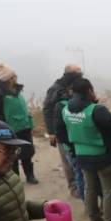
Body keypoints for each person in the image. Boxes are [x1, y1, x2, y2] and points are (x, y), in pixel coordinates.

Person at [57, 77, 111, 221]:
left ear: (72, 92)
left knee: (90, 188)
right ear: (89, 91)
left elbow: (61, 132)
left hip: (82, 156)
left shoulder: (65, 110)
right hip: (103, 156)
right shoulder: (96, 110)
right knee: (109, 191)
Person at [0, 63, 37, 184]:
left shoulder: (16, 89)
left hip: (24, 127)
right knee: (12, 156)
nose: (15, 78)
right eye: (12, 76)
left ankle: (30, 175)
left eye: (15, 75)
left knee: (27, 152)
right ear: (6, 79)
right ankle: (15, 179)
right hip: (9, 130)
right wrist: (4, 126)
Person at [43, 64, 84, 199]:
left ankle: (83, 184)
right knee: (68, 161)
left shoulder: (76, 86)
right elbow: (47, 110)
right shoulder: (55, 90)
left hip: (76, 128)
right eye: (77, 73)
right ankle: (74, 188)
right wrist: (51, 132)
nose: (80, 75)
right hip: (61, 131)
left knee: (78, 159)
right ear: (68, 74)